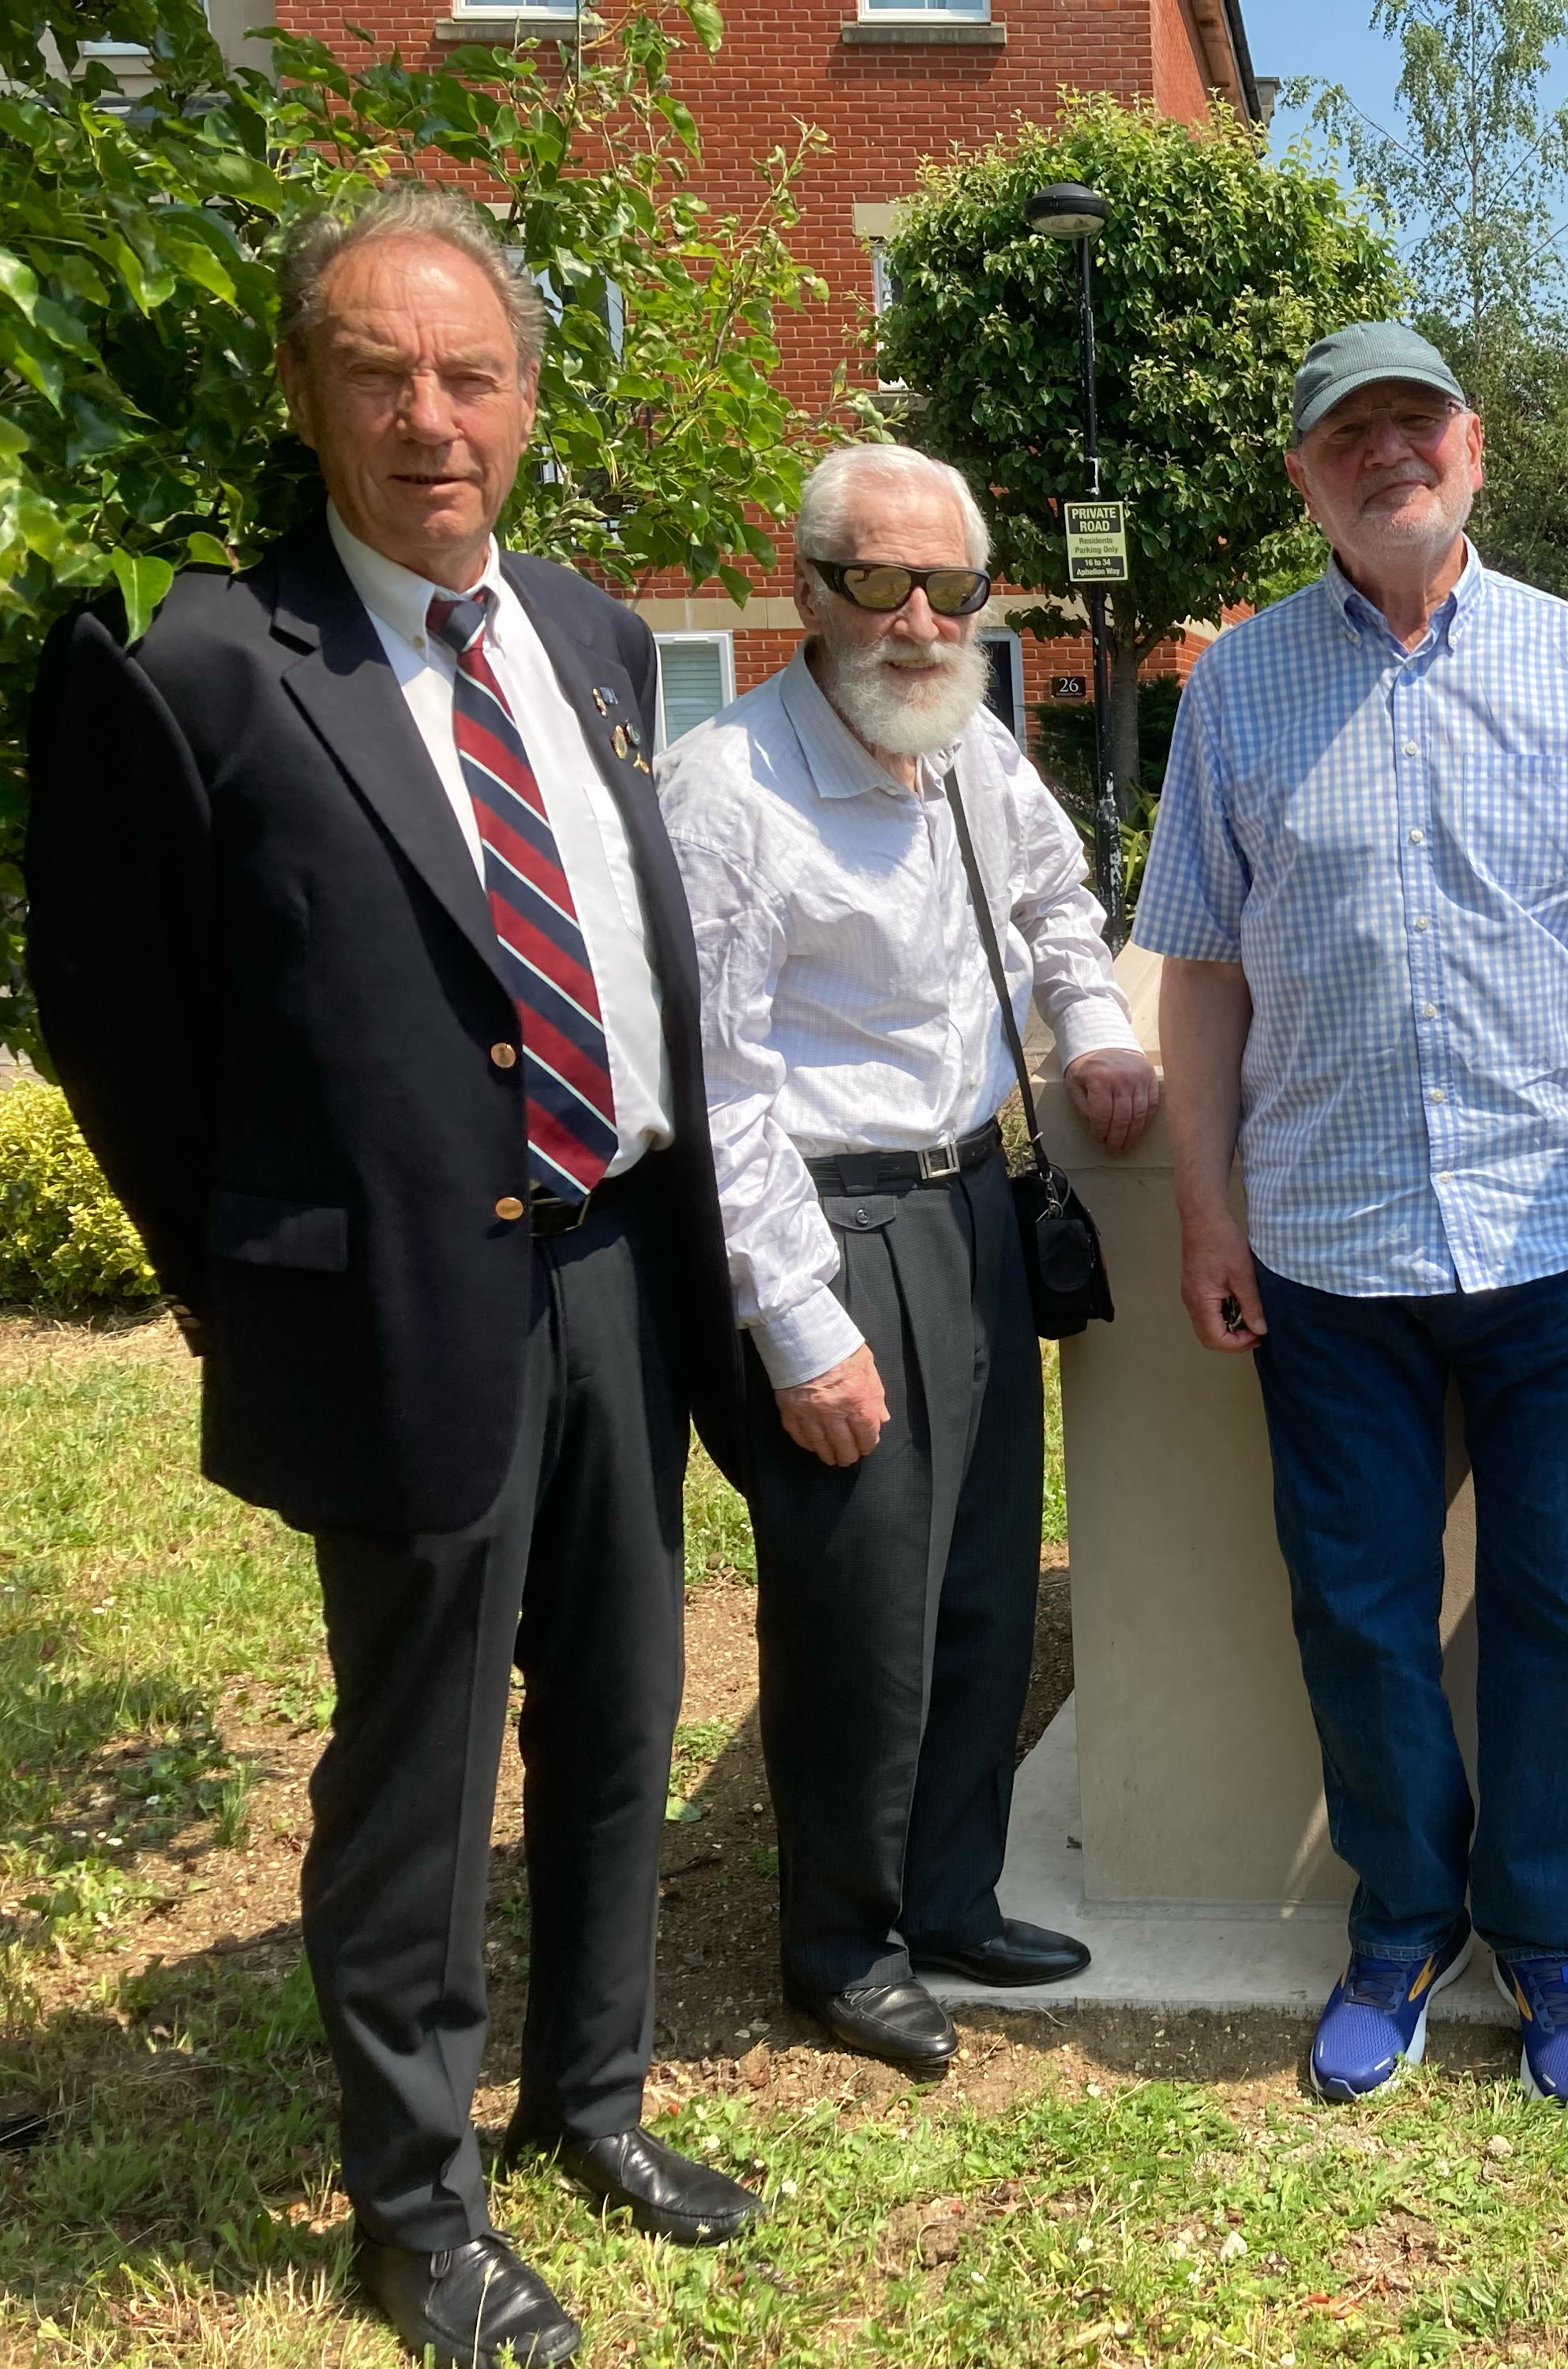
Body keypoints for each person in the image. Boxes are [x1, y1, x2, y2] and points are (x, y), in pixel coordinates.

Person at [25, 184, 761, 2367]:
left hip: (620, 1259)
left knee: (621, 1710)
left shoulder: (590, 634)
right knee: (418, 1771)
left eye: (471, 374)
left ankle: (594, 2103)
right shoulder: (199, 668)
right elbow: (123, 1026)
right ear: (303, 391)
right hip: (399, 1304)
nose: (430, 418)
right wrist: (244, 1281)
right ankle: (416, 2210)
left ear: (527, 399)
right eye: (378, 373)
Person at [1134, 322, 1568, 2115]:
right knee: (1357, 1610)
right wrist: (1203, 1215)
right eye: (1351, 435)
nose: (1387, 454)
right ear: (1305, 478)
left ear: (1472, 448)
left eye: (1417, 424)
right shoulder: (1234, 690)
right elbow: (1201, 977)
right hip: (1325, 1254)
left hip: (1562, 1241)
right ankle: (1402, 1922)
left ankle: (1550, 1937)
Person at [659, 445, 1157, 2074]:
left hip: (971, 1208)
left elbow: (1056, 899)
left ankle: (949, 1895)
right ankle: (842, 1942)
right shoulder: (731, 791)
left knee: (981, 1584)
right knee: (857, 1607)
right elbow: (716, 1087)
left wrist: (1093, 1030)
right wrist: (796, 1323)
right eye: (881, 581)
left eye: (952, 585)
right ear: (809, 589)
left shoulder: (963, 744)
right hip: (831, 1224)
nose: (924, 619)